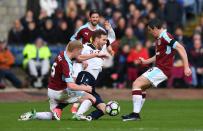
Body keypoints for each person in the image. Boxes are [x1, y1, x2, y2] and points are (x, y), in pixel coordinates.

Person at [19, 40, 108, 121]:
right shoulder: (66, 65)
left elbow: (78, 58)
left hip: (51, 90)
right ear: (75, 50)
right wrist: (85, 87)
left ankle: (33, 115)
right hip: (60, 92)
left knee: (53, 116)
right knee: (90, 98)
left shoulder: (62, 54)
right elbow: (71, 86)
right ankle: (79, 115)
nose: (80, 54)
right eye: (80, 52)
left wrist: (96, 55)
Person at [122, 19, 192, 121]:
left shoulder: (165, 36)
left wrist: (186, 66)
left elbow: (181, 48)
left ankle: (135, 114)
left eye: (150, 30)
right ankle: (135, 114)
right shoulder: (160, 38)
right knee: (141, 88)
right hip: (160, 68)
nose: (150, 32)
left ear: (155, 28)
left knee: (136, 84)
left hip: (162, 69)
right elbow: (159, 55)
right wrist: (146, 61)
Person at [70, 9, 116, 113]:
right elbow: (73, 40)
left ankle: (79, 104)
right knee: (75, 82)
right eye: (93, 17)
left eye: (97, 17)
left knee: (86, 84)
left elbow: (107, 42)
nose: (95, 19)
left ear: (99, 18)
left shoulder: (101, 31)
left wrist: (110, 49)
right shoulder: (83, 29)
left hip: (93, 59)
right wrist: (78, 54)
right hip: (83, 57)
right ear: (90, 18)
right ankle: (71, 104)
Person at [72, 30, 109, 121]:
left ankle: (89, 117)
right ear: (96, 39)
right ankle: (76, 112)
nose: (105, 42)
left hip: (92, 82)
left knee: (104, 108)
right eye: (104, 40)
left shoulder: (101, 50)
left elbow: (113, 38)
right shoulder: (85, 47)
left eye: (106, 40)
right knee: (80, 94)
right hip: (85, 76)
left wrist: (110, 29)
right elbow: (73, 55)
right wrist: (82, 60)